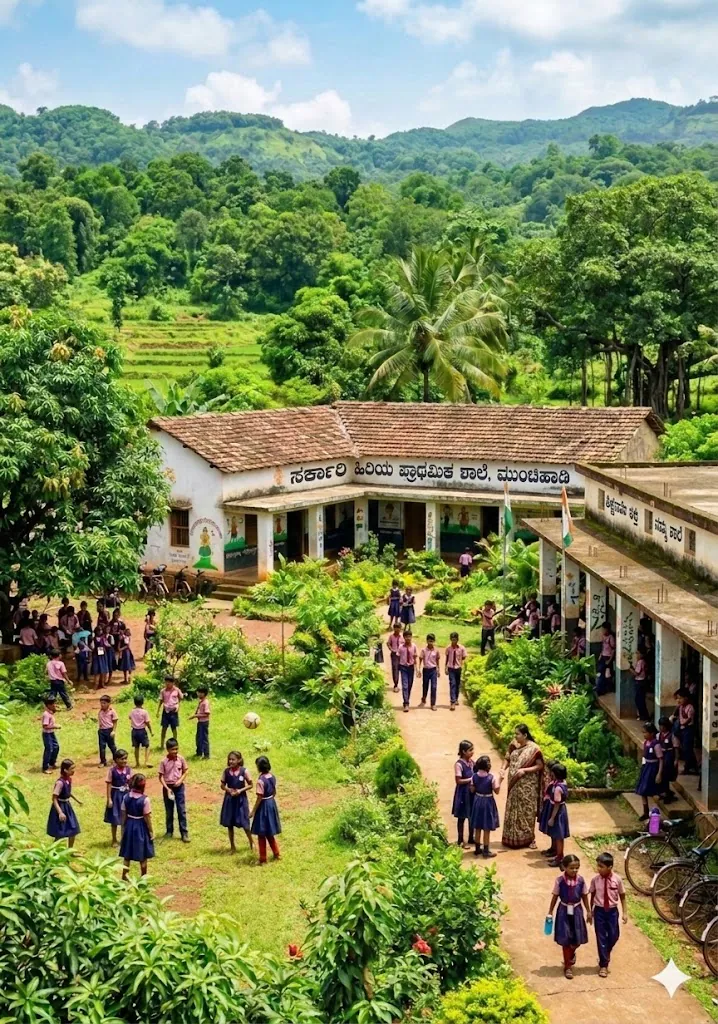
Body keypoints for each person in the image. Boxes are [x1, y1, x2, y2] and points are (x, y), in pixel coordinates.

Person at [547, 854, 591, 980]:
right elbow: (555, 896)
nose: (574, 870)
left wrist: (588, 911)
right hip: (563, 911)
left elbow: (584, 896)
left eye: (577, 868)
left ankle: (571, 953)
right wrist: (550, 912)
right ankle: (568, 966)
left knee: (577, 939)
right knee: (565, 939)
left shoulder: (581, 880)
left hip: (577, 910)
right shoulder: (560, 881)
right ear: (565, 867)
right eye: (571, 868)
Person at [501, 724, 544, 849]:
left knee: (526, 812)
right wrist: (503, 769)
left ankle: (529, 838)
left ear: (525, 735)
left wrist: (525, 770)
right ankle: (511, 838)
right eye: (515, 733)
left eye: (517, 734)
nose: (515, 736)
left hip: (527, 787)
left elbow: (540, 765)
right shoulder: (514, 744)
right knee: (512, 809)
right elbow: (507, 758)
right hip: (514, 785)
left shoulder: (534, 749)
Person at [589, 852, 627, 978]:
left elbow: (622, 896)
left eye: (601, 866)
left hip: (612, 912)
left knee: (614, 935)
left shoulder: (617, 880)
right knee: (601, 937)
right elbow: (592, 895)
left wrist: (625, 912)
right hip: (599, 911)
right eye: (598, 866)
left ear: (610, 867)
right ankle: (603, 965)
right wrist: (590, 911)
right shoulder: (595, 880)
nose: (598, 869)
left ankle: (605, 952)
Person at [120, 774, 155, 879]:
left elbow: (123, 815)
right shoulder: (145, 800)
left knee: (127, 854)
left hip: (129, 825)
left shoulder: (126, 797)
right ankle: (143, 877)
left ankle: (124, 875)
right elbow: (147, 817)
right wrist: (151, 831)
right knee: (143, 854)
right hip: (140, 826)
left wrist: (123, 829)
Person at [220, 751, 254, 853]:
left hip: (241, 800)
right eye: (229, 759)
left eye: (233, 759)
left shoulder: (244, 771)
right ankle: (232, 846)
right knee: (229, 823)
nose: (231, 761)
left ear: (239, 760)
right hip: (229, 800)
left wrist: (240, 791)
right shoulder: (226, 772)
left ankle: (252, 842)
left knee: (245, 822)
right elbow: (222, 785)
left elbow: (251, 784)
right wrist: (228, 790)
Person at [470, 754, 503, 859]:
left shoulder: (474, 776)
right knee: (486, 827)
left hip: (477, 801)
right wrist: (500, 779)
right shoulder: (491, 778)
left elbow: (472, 790)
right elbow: (496, 791)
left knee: (478, 827)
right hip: (487, 802)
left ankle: (477, 849)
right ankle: (486, 850)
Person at [251, 755, 281, 865]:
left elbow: (259, 797)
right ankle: (276, 853)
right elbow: (274, 791)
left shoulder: (260, 781)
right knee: (270, 832)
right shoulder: (272, 777)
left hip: (263, 806)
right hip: (271, 803)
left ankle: (263, 858)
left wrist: (253, 811)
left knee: (261, 833)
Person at [538, 762, 570, 867]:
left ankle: (560, 857)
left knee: (559, 836)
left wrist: (552, 818)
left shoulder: (557, 788)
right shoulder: (562, 783)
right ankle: (556, 853)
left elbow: (557, 804)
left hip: (557, 813)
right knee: (556, 834)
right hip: (560, 811)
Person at [158, 738, 190, 843]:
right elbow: (161, 777)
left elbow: (185, 771)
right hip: (168, 787)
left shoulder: (181, 759)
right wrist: (167, 788)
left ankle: (184, 833)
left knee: (181, 810)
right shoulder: (164, 761)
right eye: (172, 749)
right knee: (169, 810)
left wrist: (180, 781)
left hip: (179, 787)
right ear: (167, 750)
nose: (175, 751)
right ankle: (169, 831)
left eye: (176, 749)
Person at [47, 759, 82, 847]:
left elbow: (68, 792)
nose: (73, 771)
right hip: (60, 807)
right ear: (65, 770)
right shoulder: (60, 783)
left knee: (73, 830)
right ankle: (53, 851)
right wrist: (60, 812)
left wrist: (77, 800)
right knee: (60, 833)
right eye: (71, 769)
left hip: (67, 807)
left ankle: (70, 851)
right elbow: (54, 798)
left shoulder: (68, 780)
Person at [104, 748, 131, 846]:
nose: (124, 761)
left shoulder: (128, 770)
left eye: (125, 758)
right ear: (116, 760)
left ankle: (124, 838)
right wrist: (109, 799)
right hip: (115, 796)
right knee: (115, 818)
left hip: (126, 795)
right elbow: (109, 784)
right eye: (122, 759)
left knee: (126, 817)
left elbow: (130, 783)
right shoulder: (112, 771)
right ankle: (114, 839)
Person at [635, 722, 663, 820]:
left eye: (645, 732)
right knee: (642, 791)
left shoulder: (656, 744)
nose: (644, 734)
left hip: (653, 768)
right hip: (646, 767)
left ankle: (655, 813)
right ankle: (645, 812)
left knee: (653, 791)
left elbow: (661, 759)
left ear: (651, 733)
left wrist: (659, 773)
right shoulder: (646, 743)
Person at [451, 740, 475, 849]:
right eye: (470, 750)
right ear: (464, 751)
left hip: (471, 792)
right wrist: (471, 779)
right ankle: (460, 840)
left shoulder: (472, 762)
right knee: (461, 817)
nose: (472, 752)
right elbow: (458, 781)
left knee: (471, 815)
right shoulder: (459, 764)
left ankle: (471, 837)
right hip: (463, 793)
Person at [675, 689, 698, 775]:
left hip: (688, 729)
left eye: (680, 698)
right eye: (677, 698)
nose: (678, 700)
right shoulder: (681, 706)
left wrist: (682, 724)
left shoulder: (690, 707)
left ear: (686, 698)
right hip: (683, 729)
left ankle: (688, 767)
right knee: (686, 748)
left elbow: (689, 719)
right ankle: (693, 766)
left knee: (687, 748)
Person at [657, 715, 679, 803]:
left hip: (669, 756)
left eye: (662, 726)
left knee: (666, 775)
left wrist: (676, 759)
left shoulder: (672, 736)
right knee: (661, 774)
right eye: (660, 726)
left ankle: (667, 794)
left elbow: (676, 748)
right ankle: (664, 791)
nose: (661, 728)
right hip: (661, 755)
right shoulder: (658, 735)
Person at [158, 676, 183, 748]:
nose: (167, 683)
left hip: (173, 711)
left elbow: (181, 698)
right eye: (166, 682)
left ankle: (175, 744)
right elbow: (161, 701)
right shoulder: (163, 691)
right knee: (164, 728)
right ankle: (162, 744)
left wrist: (178, 705)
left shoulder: (177, 690)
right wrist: (158, 711)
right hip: (165, 711)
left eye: (169, 682)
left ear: (173, 683)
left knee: (174, 728)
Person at [445, 632, 467, 711]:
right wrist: (445, 667)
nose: (453, 641)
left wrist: (462, 665)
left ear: (457, 640)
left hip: (458, 668)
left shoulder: (461, 648)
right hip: (451, 668)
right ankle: (452, 702)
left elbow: (464, 658)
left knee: (457, 684)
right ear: (450, 639)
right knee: (452, 684)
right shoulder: (448, 648)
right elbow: (447, 658)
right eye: (452, 639)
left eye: (455, 640)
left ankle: (456, 698)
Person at [129, 695, 153, 768]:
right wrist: (151, 731)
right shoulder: (144, 712)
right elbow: (147, 722)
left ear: (134, 702)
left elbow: (129, 717)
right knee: (147, 746)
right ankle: (146, 761)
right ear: (142, 702)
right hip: (142, 731)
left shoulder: (132, 711)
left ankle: (137, 763)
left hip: (134, 731)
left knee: (136, 747)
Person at [398, 630, 418, 713]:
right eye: (406, 637)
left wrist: (417, 669)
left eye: (409, 636)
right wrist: (398, 667)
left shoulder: (414, 646)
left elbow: (415, 657)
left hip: (411, 667)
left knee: (409, 685)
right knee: (405, 685)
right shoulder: (401, 647)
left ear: (411, 637)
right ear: (404, 637)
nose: (408, 638)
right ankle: (406, 703)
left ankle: (407, 699)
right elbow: (398, 656)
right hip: (403, 667)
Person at [419, 633, 440, 711]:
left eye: (432, 640)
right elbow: (420, 659)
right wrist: (419, 669)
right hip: (426, 670)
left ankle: (433, 704)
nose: (430, 642)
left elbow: (437, 660)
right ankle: (424, 697)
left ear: (434, 641)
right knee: (425, 686)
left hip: (433, 670)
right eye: (429, 640)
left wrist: (438, 670)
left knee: (434, 687)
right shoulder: (423, 650)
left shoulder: (436, 650)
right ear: (427, 641)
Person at [97, 694, 119, 768]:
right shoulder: (100, 711)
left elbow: (115, 721)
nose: (102, 705)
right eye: (101, 703)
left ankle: (116, 760)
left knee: (112, 746)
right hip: (102, 731)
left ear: (109, 703)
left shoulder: (112, 711)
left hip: (109, 730)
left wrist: (113, 731)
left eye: (104, 703)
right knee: (102, 747)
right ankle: (103, 761)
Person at [189, 686, 211, 759]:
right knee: (198, 738)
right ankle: (199, 752)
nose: (198, 694)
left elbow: (207, 713)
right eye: (198, 692)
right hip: (200, 722)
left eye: (200, 692)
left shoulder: (205, 702)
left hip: (204, 723)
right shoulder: (201, 701)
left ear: (204, 693)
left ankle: (206, 754)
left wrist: (195, 716)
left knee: (204, 738)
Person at [41, 696, 60, 774]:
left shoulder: (50, 713)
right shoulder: (46, 714)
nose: (55, 705)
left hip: (51, 733)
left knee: (56, 747)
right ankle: (45, 767)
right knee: (49, 749)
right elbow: (45, 726)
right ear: (49, 705)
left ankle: (52, 763)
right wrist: (55, 726)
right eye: (53, 704)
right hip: (47, 734)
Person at [595, 624, 615, 695]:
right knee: (600, 673)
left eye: (604, 629)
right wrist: (600, 656)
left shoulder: (611, 638)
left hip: (608, 657)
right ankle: (600, 688)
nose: (602, 631)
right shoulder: (603, 637)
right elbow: (603, 647)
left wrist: (609, 660)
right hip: (603, 656)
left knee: (606, 674)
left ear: (607, 629)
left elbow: (613, 650)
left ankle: (603, 689)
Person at [630, 650, 649, 721]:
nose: (637, 655)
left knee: (639, 700)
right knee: (640, 699)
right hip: (641, 681)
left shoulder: (640, 662)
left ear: (641, 654)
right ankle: (643, 715)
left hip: (640, 682)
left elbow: (636, 673)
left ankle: (643, 715)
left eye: (638, 653)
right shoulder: (642, 662)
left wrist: (630, 669)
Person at [387, 623, 403, 693]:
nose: (397, 629)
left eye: (398, 628)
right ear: (394, 628)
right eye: (395, 628)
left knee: (403, 669)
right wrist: (391, 649)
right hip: (394, 654)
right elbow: (388, 643)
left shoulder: (402, 637)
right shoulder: (391, 636)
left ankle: (405, 684)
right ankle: (396, 685)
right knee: (395, 669)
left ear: (400, 629)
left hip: (402, 655)